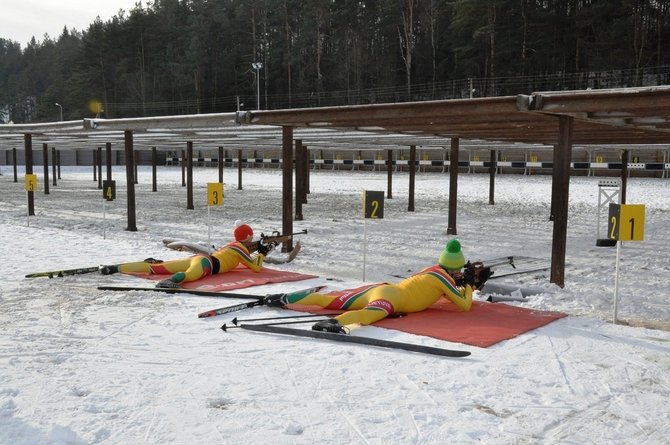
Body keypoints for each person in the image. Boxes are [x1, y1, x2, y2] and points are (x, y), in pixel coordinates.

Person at [265, 239, 489, 333]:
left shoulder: (433, 270)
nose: (460, 274)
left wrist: (463, 282)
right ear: (452, 269)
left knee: (328, 300)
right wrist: (469, 285)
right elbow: (464, 305)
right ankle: (333, 323)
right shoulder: (444, 280)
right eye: (459, 271)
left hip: (383, 288)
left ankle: (284, 298)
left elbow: (445, 291)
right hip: (392, 299)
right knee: (371, 315)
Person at [99, 221, 274, 288]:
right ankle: (170, 282)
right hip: (207, 265)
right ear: (248, 237)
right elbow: (256, 268)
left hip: (200, 259)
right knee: (190, 276)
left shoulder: (232, 245)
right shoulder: (241, 249)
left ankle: (114, 268)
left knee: (154, 267)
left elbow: (242, 259)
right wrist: (263, 253)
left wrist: (259, 250)